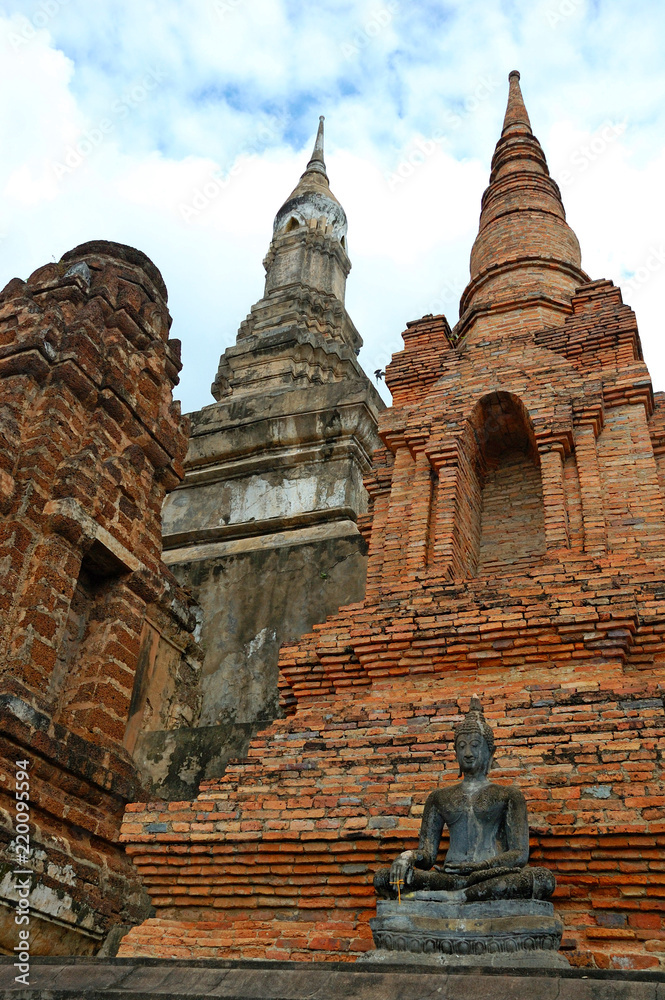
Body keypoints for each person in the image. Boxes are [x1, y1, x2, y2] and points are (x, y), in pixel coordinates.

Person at [373, 697, 555, 902]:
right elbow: (428, 856)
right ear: (455, 752)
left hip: (489, 875)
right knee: (384, 878)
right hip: (449, 876)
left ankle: (456, 897)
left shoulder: (508, 795)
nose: (468, 753)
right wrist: (408, 856)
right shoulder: (439, 798)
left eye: (475, 745)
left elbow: (519, 854)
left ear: (490, 751)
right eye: (462, 746)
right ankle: (458, 894)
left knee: (542, 878)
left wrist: (480, 867)